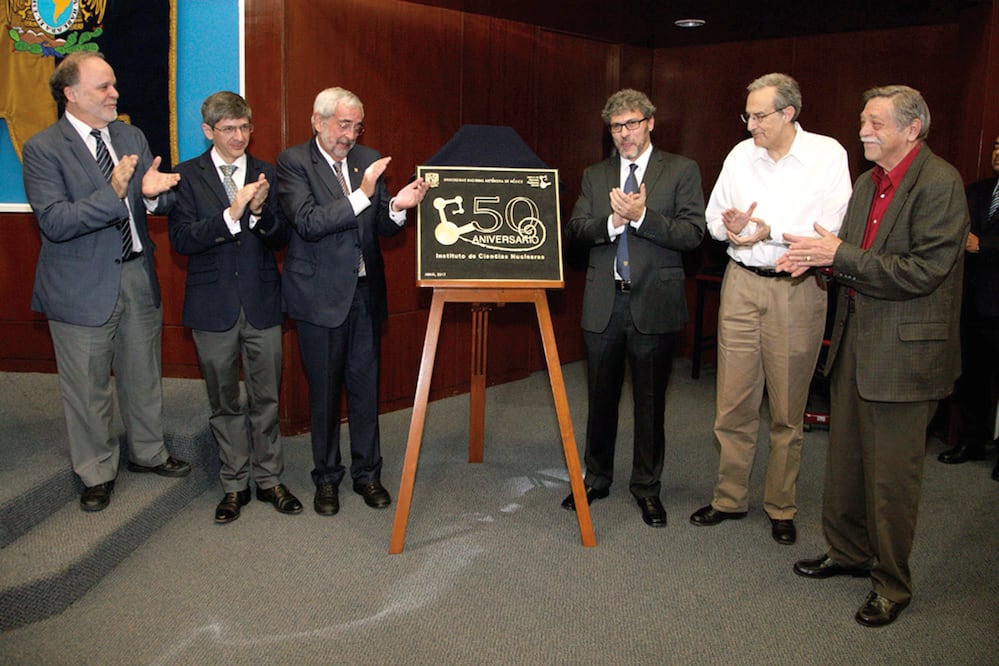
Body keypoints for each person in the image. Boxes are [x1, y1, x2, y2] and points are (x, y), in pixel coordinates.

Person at [778, 85, 969, 627]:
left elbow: (923, 272)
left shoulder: (940, 183)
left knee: (891, 479)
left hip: (906, 354)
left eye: (876, 123)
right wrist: (818, 259)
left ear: (912, 129)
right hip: (856, 343)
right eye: (863, 120)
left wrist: (839, 255)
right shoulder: (867, 183)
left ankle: (891, 583)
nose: (864, 131)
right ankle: (847, 552)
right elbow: (851, 257)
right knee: (845, 463)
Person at [21, 52, 190, 512]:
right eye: (103, 87)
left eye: (113, 84)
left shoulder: (129, 134)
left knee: (142, 374)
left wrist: (154, 198)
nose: (114, 93)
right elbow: (55, 221)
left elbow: (152, 199)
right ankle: (95, 471)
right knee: (88, 387)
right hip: (79, 287)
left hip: (136, 272)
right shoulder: (42, 148)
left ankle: (149, 452)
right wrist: (114, 194)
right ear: (70, 94)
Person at [689, 73, 851, 545]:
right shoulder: (742, 155)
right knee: (733, 402)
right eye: (748, 115)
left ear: (788, 114)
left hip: (795, 287)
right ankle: (729, 498)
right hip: (740, 284)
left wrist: (768, 229)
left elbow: (831, 228)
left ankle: (781, 505)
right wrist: (733, 225)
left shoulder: (828, 154)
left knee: (786, 407)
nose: (751, 125)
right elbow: (714, 218)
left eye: (759, 116)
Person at [276, 87, 428, 516]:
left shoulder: (367, 158)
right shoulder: (293, 162)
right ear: (317, 121)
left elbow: (380, 222)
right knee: (324, 392)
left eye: (357, 126)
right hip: (319, 298)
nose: (351, 135)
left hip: (364, 294)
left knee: (365, 389)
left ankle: (368, 474)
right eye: (344, 125)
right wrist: (361, 193)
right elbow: (307, 222)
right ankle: (326, 478)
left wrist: (398, 205)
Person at [564, 89, 706, 528]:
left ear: (650, 123)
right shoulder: (595, 174)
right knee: (600, 399)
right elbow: (577, 230)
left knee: (649, 403)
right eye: (616, 127)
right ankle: (597, 477)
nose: (624, 134)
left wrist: (643, 218)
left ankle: (647, 488)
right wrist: (614, 222)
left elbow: (692, 234)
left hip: (654, 303)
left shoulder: (681, 170)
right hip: (604, 304)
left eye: (631, 124)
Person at [169, 91, 300, 524]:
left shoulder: (267, 172)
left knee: (266, 397)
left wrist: (261, 214)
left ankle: (269, 479)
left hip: (262, 302)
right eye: (228, 129)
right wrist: (231, 214)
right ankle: (233, 484)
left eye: (245, 127)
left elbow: (282, 238)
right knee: (224, 401)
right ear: (208, 131)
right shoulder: (186, 176)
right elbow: (181, 240)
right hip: (212, 307)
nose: (239, 136)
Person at [937, 133, 999, 481]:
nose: (997, 153)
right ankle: (970, 441)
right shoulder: (975, 191)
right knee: (972, 377)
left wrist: (984, 247)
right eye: (995, 146)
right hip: (972, 301)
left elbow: (976, 242)